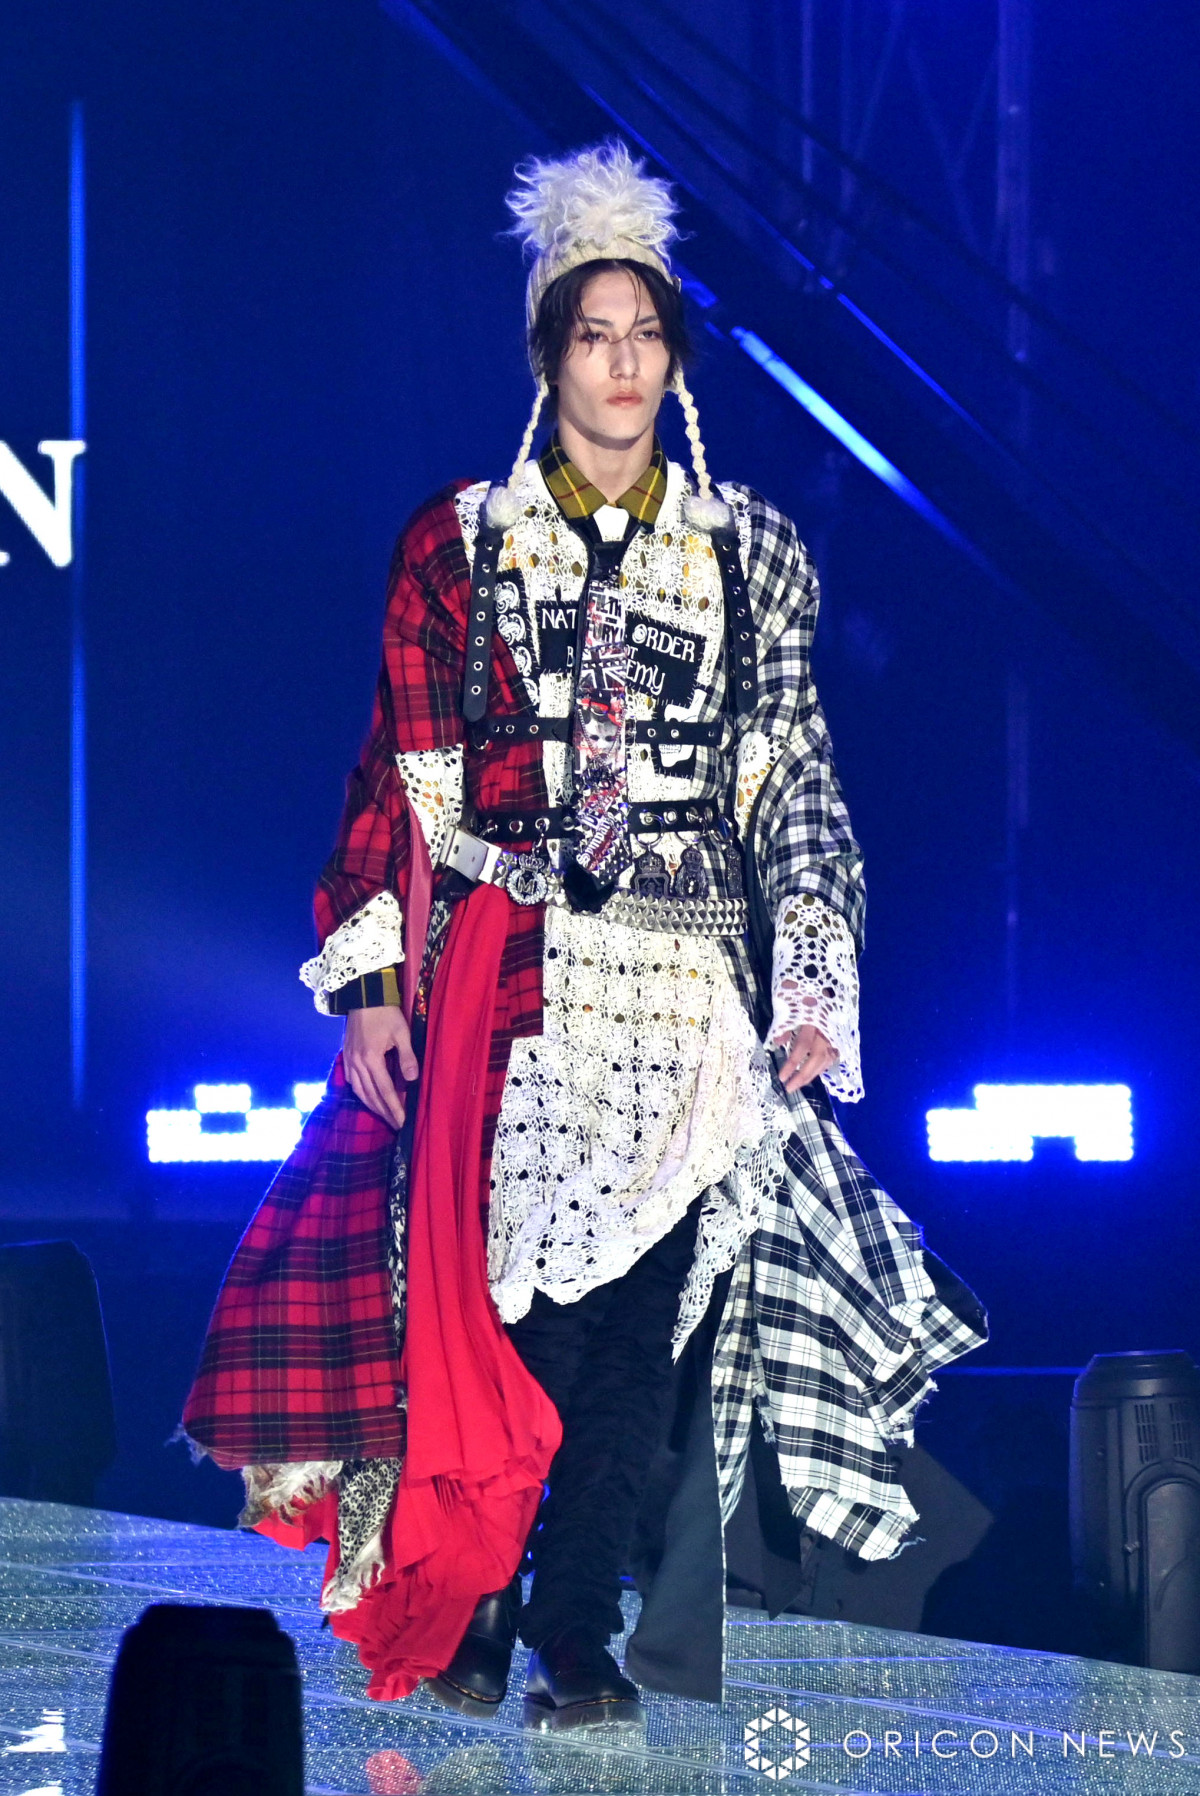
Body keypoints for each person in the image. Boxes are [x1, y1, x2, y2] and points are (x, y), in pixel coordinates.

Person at [182, 139, 987, 1734]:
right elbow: (402, 776)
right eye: (592, 335)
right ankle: (480, 1603)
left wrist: (812, 986)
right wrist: (374, 984)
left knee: (640, 1339)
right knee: (514, 1321)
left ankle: (572, 1633)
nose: (621, 364)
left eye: (646, 335)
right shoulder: (461, 543)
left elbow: (791, 783)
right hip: (513, 978)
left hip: (688, 992)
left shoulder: (749, 553)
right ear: (547, 356)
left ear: (673, 357)